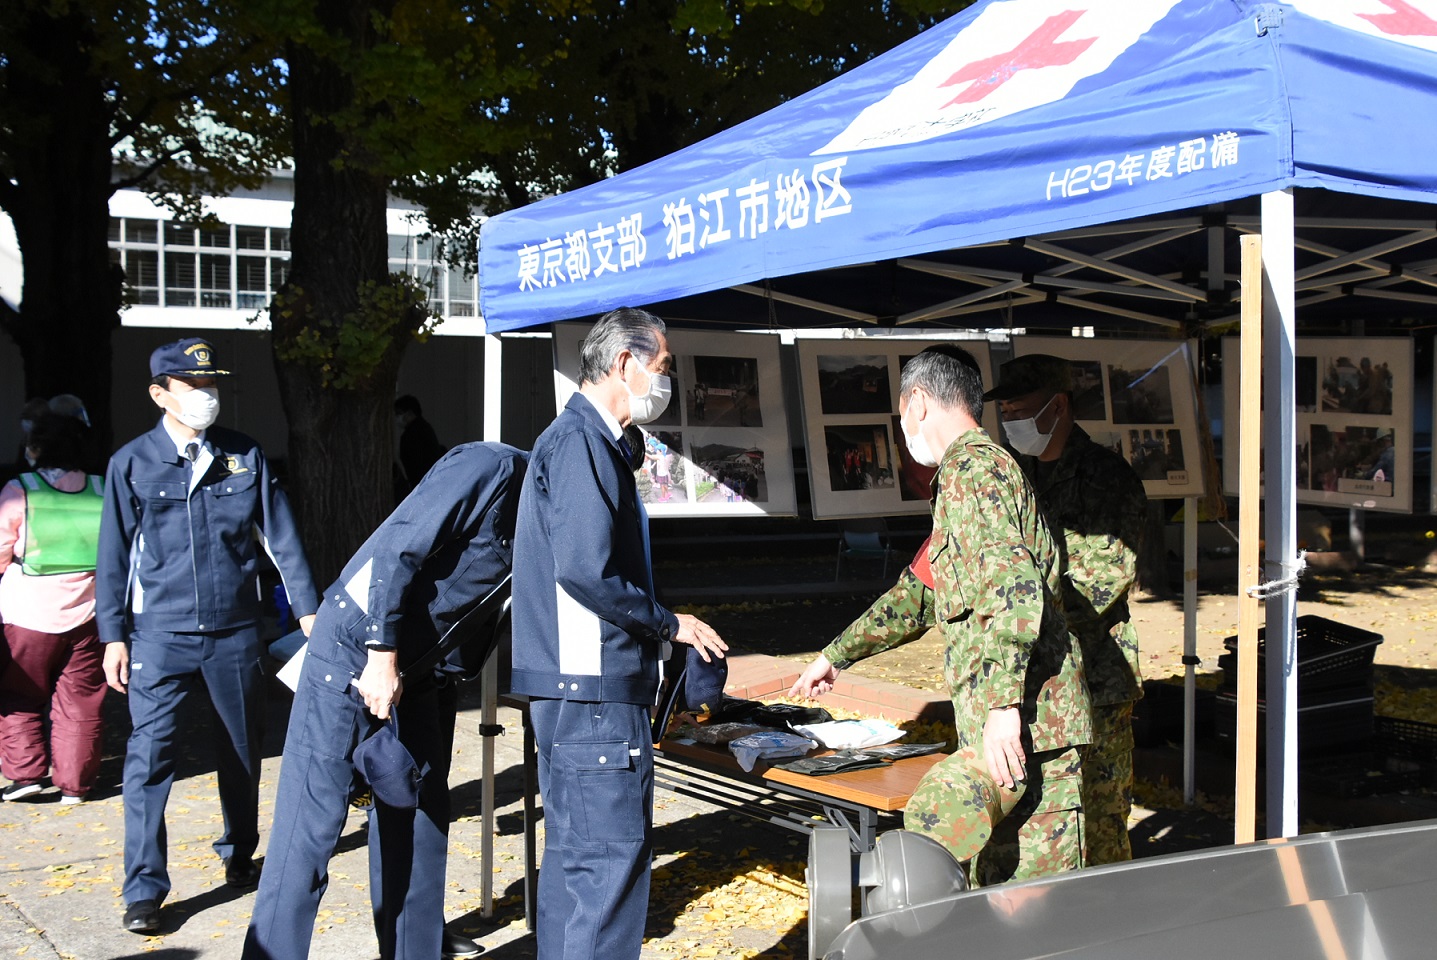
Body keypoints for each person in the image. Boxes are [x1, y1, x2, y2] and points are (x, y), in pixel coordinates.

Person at [790, 345, 1090, 887]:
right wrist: (836, 656)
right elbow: (919, 594)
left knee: (1040, 907)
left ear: (918, 403)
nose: (902, 423)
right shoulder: (970, 476)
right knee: (995, 896)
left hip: (1028, 729)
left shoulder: (973, 472)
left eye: (901, 410)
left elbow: (1013, 590)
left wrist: (1001, 707)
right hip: (1007, 733)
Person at [244, 441, 526, 960]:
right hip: (357, 650)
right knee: (308, 835)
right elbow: (399, 549)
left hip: (422, 672)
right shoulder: (492, 467)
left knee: (419, 821)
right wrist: (380, 654)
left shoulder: (558, 511)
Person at [510, 307, 727, 960]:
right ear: (625, 364)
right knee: (604, 873)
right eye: (661, 367)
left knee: (580, 873)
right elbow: (586, 569)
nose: (666, 381)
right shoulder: (579, 441)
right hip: (592, 693)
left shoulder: (588, 440)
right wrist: (670, 624)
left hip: (583, 690)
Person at [96, 337, 319, 934]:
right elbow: (114, 555)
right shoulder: (133, 463)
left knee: (242, 749)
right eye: (192, 387)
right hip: (159, 635)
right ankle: (144, 888)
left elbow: (282, 538)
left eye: (212, 385)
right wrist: (112, 635)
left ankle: (239, 853)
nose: (205, 396)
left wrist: (307, 612)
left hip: (234, 632)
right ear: (159, 394)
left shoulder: (243, 456)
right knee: (149, 758)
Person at [984, 354, 1148, 866]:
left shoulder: (1106, 476)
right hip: (1035, 687)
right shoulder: (1017, 475)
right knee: (1043, 828)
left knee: (1099, 821)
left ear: (1059, 406)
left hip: (1094, 682)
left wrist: (1018, 619)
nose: (1011, 418)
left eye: (1021, 408)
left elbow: (1102, 583)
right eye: (1005, 409)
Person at [0, 414, 106, 803]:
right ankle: (76, 785)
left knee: (18, 693)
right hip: (90, 613)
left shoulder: (20, 489)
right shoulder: (101, 488)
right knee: (81, 699)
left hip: (27, 615)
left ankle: (25, 775)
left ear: (36, 449)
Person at [394, 395, 447, 492]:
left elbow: (415, 465)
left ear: (409, 413)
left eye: (399, 413)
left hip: (422, 485)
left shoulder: (412, 434)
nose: (397, 418)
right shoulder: (424, 428)